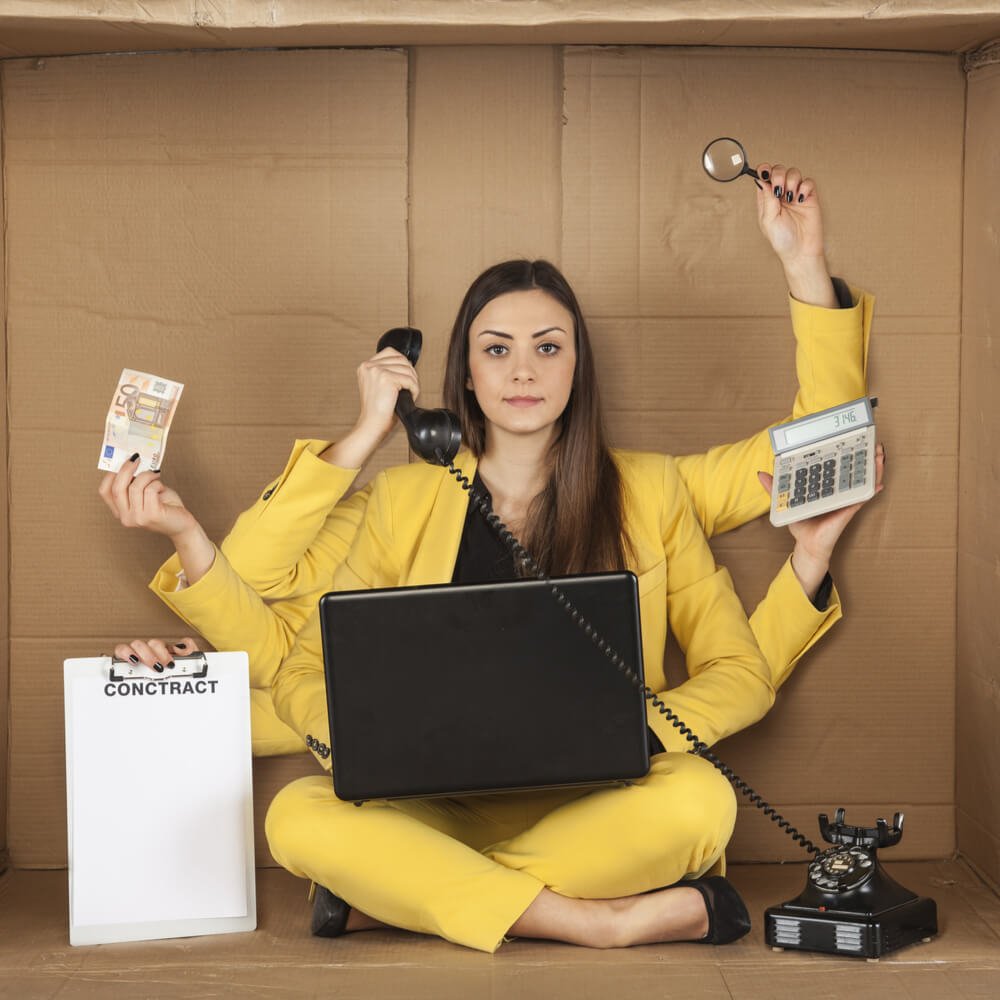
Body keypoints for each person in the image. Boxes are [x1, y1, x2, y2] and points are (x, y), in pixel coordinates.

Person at [99, 164, 882, 949]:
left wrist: (802, 265)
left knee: (703, 799)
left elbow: (829, 448)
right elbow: (288, 636)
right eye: (496, 349)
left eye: (548, 347)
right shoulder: (403, 500)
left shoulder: (656, 490)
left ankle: (407, 895)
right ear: (466, 377)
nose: (523, 370)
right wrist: (366, 435)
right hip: (431, 802)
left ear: (578, 367)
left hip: (598, 799)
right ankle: (592, 922)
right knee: (295, 815)